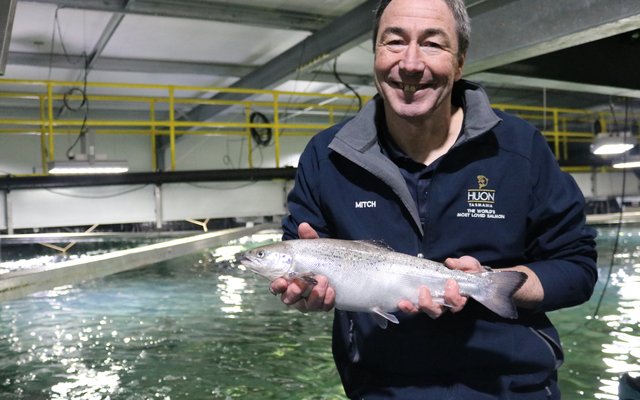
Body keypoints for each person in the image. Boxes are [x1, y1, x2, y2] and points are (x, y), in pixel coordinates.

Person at [270, 0, 598, 398]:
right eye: (394, 42)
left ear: (459, 62)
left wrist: (493, 285)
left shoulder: (518, 149)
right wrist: (306, 293)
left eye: (432, 44)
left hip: (509, 387)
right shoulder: (327, 157)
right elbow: (300, 263)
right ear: (375, 54)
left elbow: (576, 268)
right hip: (381, 389)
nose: (410, 63)